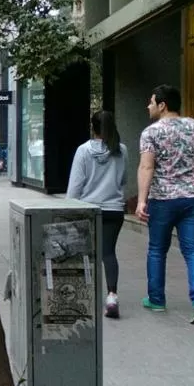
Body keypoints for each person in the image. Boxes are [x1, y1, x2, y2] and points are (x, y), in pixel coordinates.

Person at [136, 84, 194, 324]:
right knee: (193, 250)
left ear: (162, 104)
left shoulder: (151, 133)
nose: (148, 106)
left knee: (157, 250)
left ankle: (157, 299)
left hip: (163, 200)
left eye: (151, 102)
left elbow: (147, 166)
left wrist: (141, 200)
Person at [66, 110, 127, 318]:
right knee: (108, 253)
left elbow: (75, 185)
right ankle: (112, 296)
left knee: (84, 254)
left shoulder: (83, 150)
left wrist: (67, 209)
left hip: (87, 208)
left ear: (93, 127)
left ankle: (85, 295)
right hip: (114, 209)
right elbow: (123, 179)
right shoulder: (121, 150)